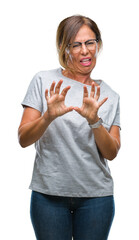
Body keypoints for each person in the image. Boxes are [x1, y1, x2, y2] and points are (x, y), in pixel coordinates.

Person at [18, 15, 121, 240]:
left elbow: (111, 153)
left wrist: (95, 121)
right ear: (65, 49)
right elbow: (23, 138)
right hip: (48, 197)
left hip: (97, 199)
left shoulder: (110, 96)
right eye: (76, 44)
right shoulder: (44, 81)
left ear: (98, 45)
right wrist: (48, 117)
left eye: (90, 42)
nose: (85, 51)